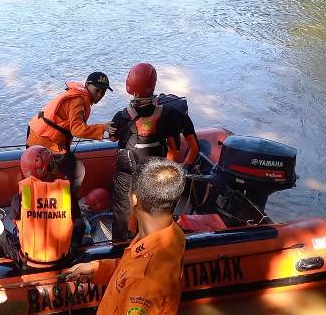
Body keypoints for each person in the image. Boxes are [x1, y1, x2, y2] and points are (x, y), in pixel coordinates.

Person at [65, 158, 187, 315]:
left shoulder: (147, 275)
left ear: (134, 199)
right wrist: (97, 269)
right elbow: (128, 268)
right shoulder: (167, 235)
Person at [110, 63, 199, 240]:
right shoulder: (170, 115)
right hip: (155, 174)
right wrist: (179, 168)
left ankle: (120, 247)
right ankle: (151, 244)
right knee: (153, 214)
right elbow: (180, 148)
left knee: (123, 213)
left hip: (128, 174)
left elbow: (113, 138)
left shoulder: (121, 117)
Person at [26, 72, 117, 215]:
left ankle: (42, 205)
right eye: (97, 90)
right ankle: (68, 206)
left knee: (39, 178)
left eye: (103, 92)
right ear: (87, 85)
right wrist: (103, 128)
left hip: (37, 135)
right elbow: (77, 129)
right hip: (46, 141)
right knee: (77, 172)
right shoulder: (78, 101)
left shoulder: (77, 95)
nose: (99, 95)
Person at [12, 146, 85, 268]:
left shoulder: (20, 196)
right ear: (51, 167)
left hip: (30, 260)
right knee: (80, 224)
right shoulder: (65, 192)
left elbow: (16, 222)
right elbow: (76, 219)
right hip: (62, 258)